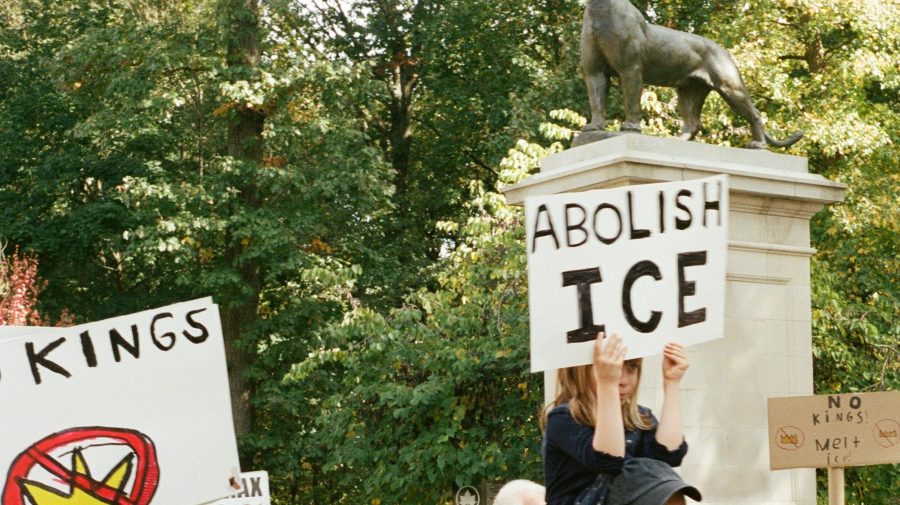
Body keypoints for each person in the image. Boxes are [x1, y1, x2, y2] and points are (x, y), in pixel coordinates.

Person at [541, 333, 702, 505]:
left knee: (660, 481)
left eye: (632, 368)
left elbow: (669, 456)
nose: (623, 380)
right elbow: (607, 460)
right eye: (612, 368)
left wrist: (672, 383)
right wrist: (607, 384)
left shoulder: (640, 416)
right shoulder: (562, 419)